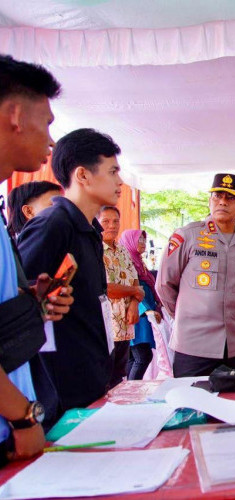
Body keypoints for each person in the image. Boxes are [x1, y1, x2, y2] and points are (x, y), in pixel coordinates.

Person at [0, 54, 73, 466]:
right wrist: (24, 417)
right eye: (46, 123)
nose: (50, 140)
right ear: (14, 114)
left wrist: (31, 306)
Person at [20, 128, 123, 413]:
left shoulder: (90, 230)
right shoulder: (53, 225)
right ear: (82, 175)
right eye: (113, 171)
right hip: (61, 389)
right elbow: (17, 301)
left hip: (90, 376)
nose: (120, 181)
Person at [156, 174, 235, 377]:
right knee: (191, 406)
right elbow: (164, 285)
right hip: (194, 345)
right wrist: (185, 317)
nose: (222, 201)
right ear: (210, 200)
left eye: (231, 198)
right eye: (217, 196)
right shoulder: (187, 236)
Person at [98, 206, 143, 388]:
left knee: (118, 376)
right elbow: (106, 289)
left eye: (115, 221)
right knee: (104, 378)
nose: (111, 226)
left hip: (125, 326)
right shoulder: (95, 250)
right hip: (106, 326)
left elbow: (135, 282)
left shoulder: (123, 250)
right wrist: (134, 291)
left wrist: (133, 305)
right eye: (106, 221)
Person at [120, 229, 161, 380]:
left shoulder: (138, 262)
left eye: (144, 240)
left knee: (134, 357)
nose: (143, 244)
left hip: (144, 311)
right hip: (137, 313)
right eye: (139, 240)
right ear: (130, 242)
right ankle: (131, 391)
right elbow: (134, 290)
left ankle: (127, 391)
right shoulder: (128, 261)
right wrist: (147, 310)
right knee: (142, 356)